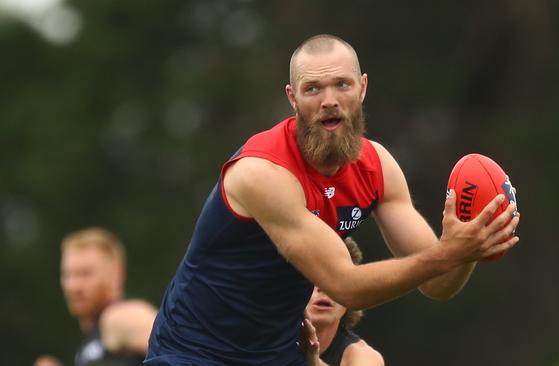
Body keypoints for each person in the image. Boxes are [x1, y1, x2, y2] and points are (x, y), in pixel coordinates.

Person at [145, 34, 520, 366]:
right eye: (313, 89)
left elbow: (438, 283)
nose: (329, 101)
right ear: (292, 97)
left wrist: (472, 242)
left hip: (277, 355)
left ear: (363, 87)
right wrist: (449, 253)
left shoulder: (378, 167)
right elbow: (345, 285)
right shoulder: (262, 173)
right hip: (193, 353)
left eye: (342, 84)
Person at [34, 227, 157, 366]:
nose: (74, 286)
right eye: (68, 275)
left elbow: (178, 349)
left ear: (117, 275)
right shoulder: (93, 343)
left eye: (85, 273)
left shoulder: (118, 317)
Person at [302, 237, 383, 366]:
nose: (324, 288)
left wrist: (313, 361)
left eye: (335, 277)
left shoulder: (363, 357)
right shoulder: (261, 338)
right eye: (312, 276)